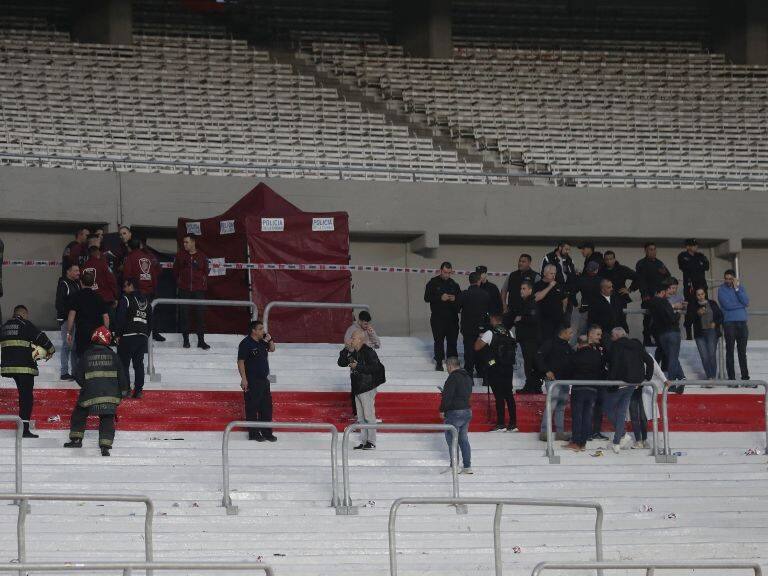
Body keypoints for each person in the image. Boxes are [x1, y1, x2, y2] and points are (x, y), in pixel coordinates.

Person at [64, 326, 129, 456]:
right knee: (107, 417)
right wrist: (124, 390)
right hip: (110, 394)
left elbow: (77, 375)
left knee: (80, 412)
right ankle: (105, 446)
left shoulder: (86, 355)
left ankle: (76, 439)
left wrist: (87, 385)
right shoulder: (113, 355)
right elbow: (122, 375)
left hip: (90, 393)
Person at [0, 305, 55, 438]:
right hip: (25, 367)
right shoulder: (25, 324)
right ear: (24, 313)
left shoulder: (5, 326)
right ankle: (24, 429)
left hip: (8, 367)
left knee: (22, 395)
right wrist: (51, 350)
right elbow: (41, 338)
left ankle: (22, 426)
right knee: (26, 397)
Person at [604, 327, 654, 454]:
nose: (611, 338)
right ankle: (617, 441)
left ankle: (622, 435)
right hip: (634, 383)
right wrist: (646, 378)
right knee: (621, 412)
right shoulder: (637, 344)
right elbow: (649, 361)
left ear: (616, 335)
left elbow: (614, 364)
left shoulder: (616, 345)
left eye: (612, 336)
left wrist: (612, 383)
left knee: (609, 409)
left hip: (621, 382)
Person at [338, 330, 386, 450]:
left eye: (353, 338)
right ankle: (365, 441)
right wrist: (345, 349)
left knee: (369, 415)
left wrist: (357, 366)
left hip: (367, 387)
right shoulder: (353, 352)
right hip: (357, 387)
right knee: (361, 416)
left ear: (360, 340)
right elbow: (341, 362)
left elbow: (375, 368)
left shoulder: (369, 352)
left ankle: (372, 441)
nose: (351, 340)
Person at [474, 312, 517, 432]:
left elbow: (477, 347)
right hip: (508, 367)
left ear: (493, 319)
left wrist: (480, 335)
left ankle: (501, 423)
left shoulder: (489, 333)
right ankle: (513, 424)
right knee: (509, 395)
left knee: (499, 396)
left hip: (495, 367)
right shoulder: (510, 332)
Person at [566, 327, 606, 451]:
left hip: (579, 388)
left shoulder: (578, 354)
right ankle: (583, 443)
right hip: (593, 388)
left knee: (578, 415)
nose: (600, 337)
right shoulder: (597, 354)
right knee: (587, 416)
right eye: (598, 334)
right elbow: (601, 369)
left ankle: (576, 442)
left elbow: (570, 368)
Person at [237, 320, 277, 442]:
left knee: (266, 406)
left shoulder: (261, 342)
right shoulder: (245, 343)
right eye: (260, 329)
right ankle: (254, 433)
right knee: (252, 406)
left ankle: (267, 432)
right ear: (253, 330)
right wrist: (243, 379)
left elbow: (272, 349)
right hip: (252, 380)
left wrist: (270, 340)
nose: (263, 331)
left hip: (265, 380)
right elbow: (240, 361)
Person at [535, 324, 574, 441]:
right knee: (551, 406)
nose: (572, 335)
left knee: (561, 407)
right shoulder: (550, 343)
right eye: (570, 333)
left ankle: (560, 433)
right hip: (553, 381)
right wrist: (546, 371)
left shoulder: (568, 346)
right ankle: (544, 432)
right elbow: (538, 357)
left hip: (564, 381)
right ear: (563, 333)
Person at [115, 278, 151, 399]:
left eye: (125, 286)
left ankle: (126, 390)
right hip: (142, 337)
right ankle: (139, 390)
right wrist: (146, 334)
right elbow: (151, 320)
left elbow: (120, 318)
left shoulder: (126, 298)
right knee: (139, 364)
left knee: (123, 364)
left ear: (131, 286)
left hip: (128, 336)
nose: (124, 289)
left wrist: (118, 335)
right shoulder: (146, 300)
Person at [123, 238, 164, 341]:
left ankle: (141, 335)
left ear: (129, 247)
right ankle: (155, 334)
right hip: (149, 291)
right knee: (151, 313)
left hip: (137, 292)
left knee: (138, 315)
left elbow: (127, 275)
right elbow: (154, 273)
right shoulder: (148, 257)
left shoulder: (130, 257)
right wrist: (154, 288)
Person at [173, 234, 210, 350]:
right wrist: (180, 282)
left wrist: (201, 282)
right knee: (184, 315)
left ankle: (201, 341)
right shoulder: (180, 256)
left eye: (186, 242)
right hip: (184, 290)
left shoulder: (202, 256)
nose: (184, 244)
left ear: (193, 242)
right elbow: (175, 272)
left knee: (200, 315)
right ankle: (186, 340)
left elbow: (206, 271)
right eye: (183, 242)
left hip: (198, 290)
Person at [423, 262, 461, 371]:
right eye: (445, 272)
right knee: (438, 341)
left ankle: (452, 364)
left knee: (452, 342)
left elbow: (460, 301)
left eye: (449, 273)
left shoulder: (454, 284)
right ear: (440, 271)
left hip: (452, 319)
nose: (447, 275)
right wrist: (440, 297)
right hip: (438, 318)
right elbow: (426, 298)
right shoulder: (433, 283)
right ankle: (439, 362)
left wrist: (455, 299)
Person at [439, 356, 473, 474]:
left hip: (455, 412)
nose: (446, 369)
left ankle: (454, 465)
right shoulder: (467, 377)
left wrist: (442, 410)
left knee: (452, 439)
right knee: (463, 439)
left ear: (450, 365)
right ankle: (467, 466)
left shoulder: (452, 377)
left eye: (446, 367)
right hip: (467, 411)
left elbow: (447, 396)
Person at [66, 269, 110, 360]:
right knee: (95, 356)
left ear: (81, 282)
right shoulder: (99, 297)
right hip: (97, 333)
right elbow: (106, 317)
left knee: (82, 357)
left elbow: (71, 315)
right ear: (93, 283)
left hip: (82, 331)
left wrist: (69, 332)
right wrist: (106, 331)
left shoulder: (76, 296)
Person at [648, 285, 686, 387]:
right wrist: (678, 313)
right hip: (672, 332)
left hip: (661, 334)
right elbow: (672, 318)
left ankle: (682, 377)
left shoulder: (651, 303)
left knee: (671, 356)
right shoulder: (664, 302)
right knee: (673, 357)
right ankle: (672, 383)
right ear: (662, 292)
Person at [718, 269, 751, 384]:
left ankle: (745, 378)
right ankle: (731, 379)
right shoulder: (721, 289)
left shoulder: (740, 288)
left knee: (742, 352)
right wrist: (740, 305)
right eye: (726, 279)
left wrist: (737, 289)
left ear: (734, 279)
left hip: (742, 323)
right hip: (729, 323)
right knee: (730, 351)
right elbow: (726, 305)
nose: (728, 281)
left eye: (730, 279)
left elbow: (746, 302)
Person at [635, 242, 671, 346]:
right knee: (648, 318)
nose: (653, 251)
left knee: (659, 318)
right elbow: (641, 280)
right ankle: (647, 339)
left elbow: (668, 277)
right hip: (648, 296)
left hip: (660, 296)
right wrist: (645, 294)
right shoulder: (641, 263)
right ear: (645, 250)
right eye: (651, 249)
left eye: (654, 249)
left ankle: (658, 339)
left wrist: (665, 291)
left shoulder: (659, 263)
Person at [685, 288, 723, 381]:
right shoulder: (693, 305)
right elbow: (688, 320)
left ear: (705, 294)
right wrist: (697, 313)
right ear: (696, 296)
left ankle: (713, 376)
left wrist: (715, 323)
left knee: (711, 355)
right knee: (704, 356)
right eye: (698, 294)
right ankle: (709, 376)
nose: (701, 296)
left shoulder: (712, 303)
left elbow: (720, 316)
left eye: (702, 294)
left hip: (711, 332)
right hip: (699, 333)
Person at [458, 271, 490, 378]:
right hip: (481, 329)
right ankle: (483, 375)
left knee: (469, 353)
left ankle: (469, 376)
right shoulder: (485, 294)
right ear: (479, 281)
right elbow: (488, 311)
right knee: (482, 353)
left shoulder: (464, 294)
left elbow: (457, 308)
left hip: (467, 329)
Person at [515, 280, 542, 394]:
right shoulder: (525, 302)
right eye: (521, 288)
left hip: (530, 338)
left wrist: (521, 319)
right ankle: (535, 385)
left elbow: (533, 319)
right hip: (526, 338)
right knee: (530, 362)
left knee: (530, 362)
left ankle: (530, 385)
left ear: (530, 290)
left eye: (524, 288)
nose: (521, 291)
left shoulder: (531, 303)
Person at [55, 263, 81, 380]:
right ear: (68, 272)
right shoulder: (63, 284)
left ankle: (75, 371)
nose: (78, 273)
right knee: (67, 345)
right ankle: (64, 372)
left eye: (78, 271)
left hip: (75, 320)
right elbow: (59, 304)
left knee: (74, 346)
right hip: (67, 321)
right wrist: (69, 316)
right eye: (75, 271)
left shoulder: (76, 284)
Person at [81, 244, 119, 316]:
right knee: (107, 324)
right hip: (105, 299)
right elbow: (112, 281)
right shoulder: (103, 265)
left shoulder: (83, 266)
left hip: (89, 300)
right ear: (97, 253)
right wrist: (115, 296)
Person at [534, 264, 567, 341]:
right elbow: (537, 298)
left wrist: (563, 310)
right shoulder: (538, 285)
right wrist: (550, 286)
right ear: (545, 273)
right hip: (545, 321)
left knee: (558, 341)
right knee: (547, 341)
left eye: (554, 274)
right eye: (551, 273)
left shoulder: (558, 285)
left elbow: (564, 298)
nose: (553, 276)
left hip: (558, 319)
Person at [501, 254, 540, 318]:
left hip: (527, 312)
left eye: (523, 262)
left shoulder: (535, 276)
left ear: (529, 263)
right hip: (511, 310)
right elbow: (504, 290)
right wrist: (504, 304)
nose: (520, 263)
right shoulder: (512, 275)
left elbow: (539, 294)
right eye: (519, 261)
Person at [677, 239, 710, 311]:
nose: (696, 247)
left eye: (696, 245)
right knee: (691, 308)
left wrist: (696, 265)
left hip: (701, 285)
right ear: (687, 247)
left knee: (704, 307)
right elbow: (685, 267)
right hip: (690, 286)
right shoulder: (682, 256)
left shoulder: (700, 255)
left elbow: (707, 267)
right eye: (693, 245)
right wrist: (698, 265)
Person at [573, 261, 603, 337]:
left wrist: (575, 303)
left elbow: (572, 292)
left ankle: (575, 348)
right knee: (598, 333)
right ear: (596, 270)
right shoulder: (601, 281)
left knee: (581, 334)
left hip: (585, 308)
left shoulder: (581, 280)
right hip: (598, 310)